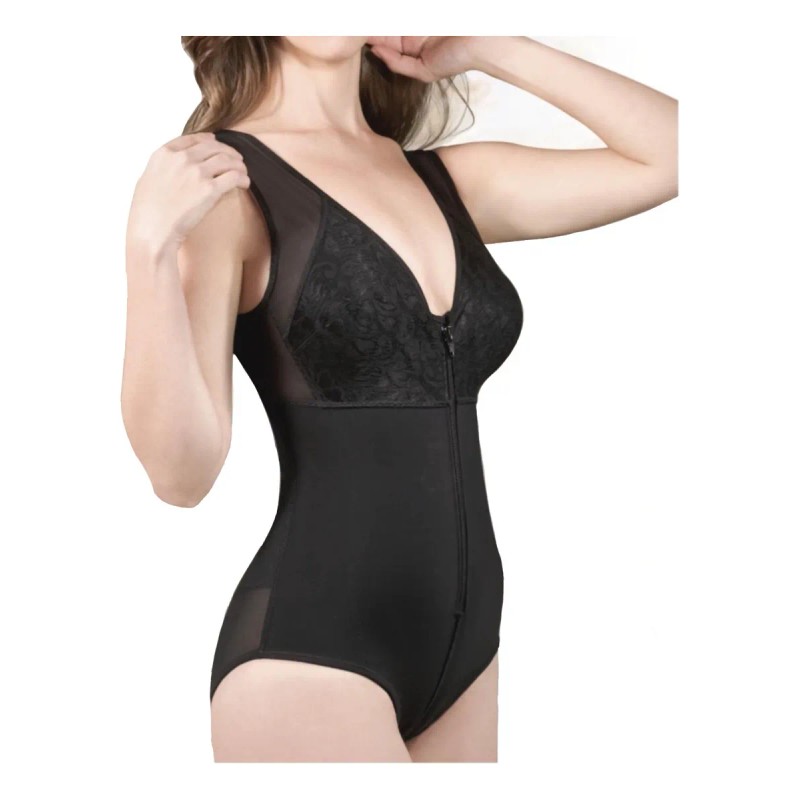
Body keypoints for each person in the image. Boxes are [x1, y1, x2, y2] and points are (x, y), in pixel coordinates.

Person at [121, 36, 678, 762]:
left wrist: (492, 46)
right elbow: (181, 476)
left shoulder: (445, 181)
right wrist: (149, 255)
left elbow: (675, 156)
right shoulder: (225, 185)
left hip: (465, 654)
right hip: (310, 654)